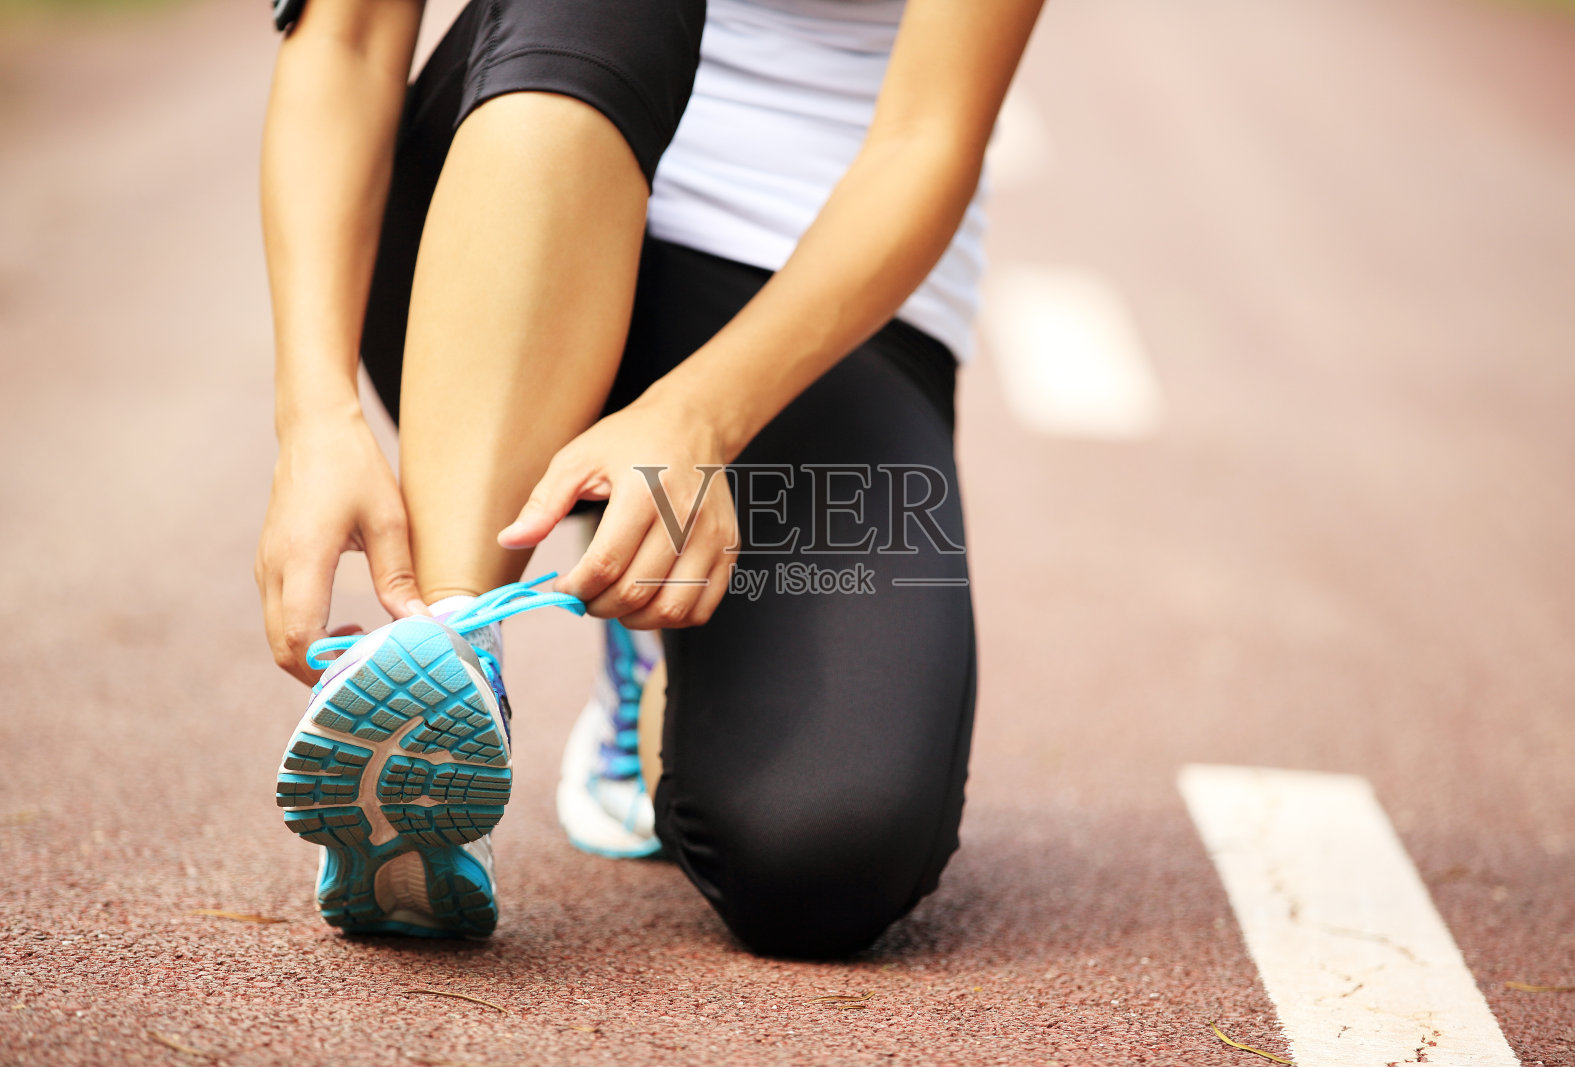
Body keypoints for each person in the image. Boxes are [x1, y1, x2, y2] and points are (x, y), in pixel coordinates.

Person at [257, 0, 1043, 958]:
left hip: (821, 308)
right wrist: (314, 415)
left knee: (827, 855)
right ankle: (453, 660)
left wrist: (698, 414)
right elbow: (347, 37)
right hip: (504, 199)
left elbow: (929, 137)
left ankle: (643, 648)